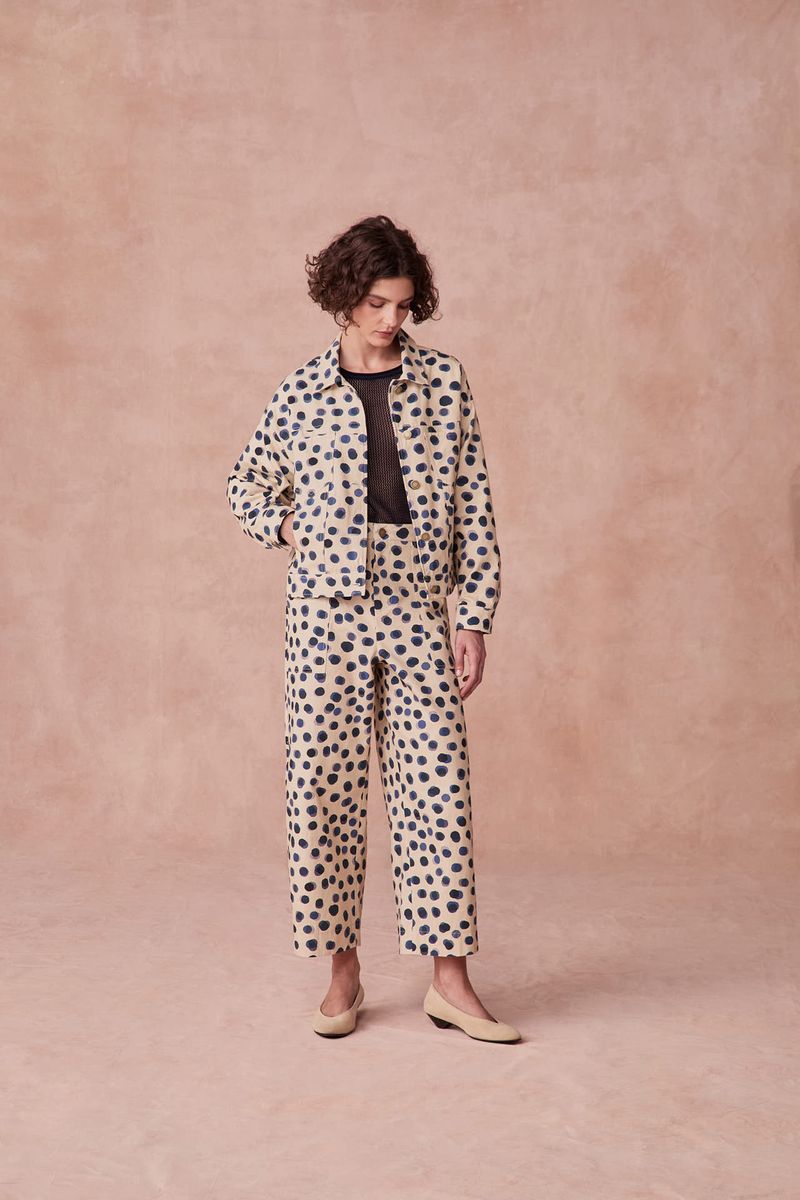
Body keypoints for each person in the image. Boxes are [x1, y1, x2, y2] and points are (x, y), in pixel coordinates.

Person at [226, 215, 520, 1044]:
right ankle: (342, 973)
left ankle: (450, 983)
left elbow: (474, 503)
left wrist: (474, 615)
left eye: (403, 304)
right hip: (325, 615)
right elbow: (246, 483)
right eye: (377, 304)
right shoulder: (301, 391)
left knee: (438, 793)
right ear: (345, 298)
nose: (393, 320)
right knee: (323, 790)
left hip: (417, 606)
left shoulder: (445, 382)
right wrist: (290, 527)